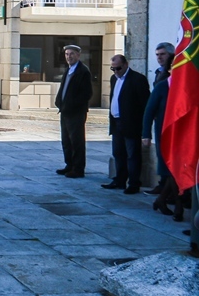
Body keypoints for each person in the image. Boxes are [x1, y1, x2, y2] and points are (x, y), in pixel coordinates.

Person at [102, 54, 151, 194]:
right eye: (113, 69)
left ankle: (134, 183)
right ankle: (120, 180)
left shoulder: (137, 79)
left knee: (132, 154)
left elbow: (145, 103)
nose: (115, 71)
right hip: (116, 122)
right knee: (118, 153)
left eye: (118, 68)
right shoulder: (114, 79)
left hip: (131, 123)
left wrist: (142, 125)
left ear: (125, 64)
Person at [143, 42, 179, 216]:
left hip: (181, 133)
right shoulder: (162, 83)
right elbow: (149, 111)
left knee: (176, 170)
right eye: (157, 55)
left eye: (162, 55)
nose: (159, 58)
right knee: (171, 170)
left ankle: (165, 200)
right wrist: (146, 135)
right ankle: (169, 202)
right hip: (164, 131)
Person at [54, 45, 93, 178]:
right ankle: (69, 165)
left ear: (78, 55)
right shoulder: (68, 70)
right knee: (66, 140)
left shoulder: (83, 71)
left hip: (75, 113)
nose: (69, 57)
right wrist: (59, 102)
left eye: (71, 54)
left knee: (76, 141)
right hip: (65, 112)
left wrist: (72, 105)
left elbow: (87, 93)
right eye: (66, 54)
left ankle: (78, 168)